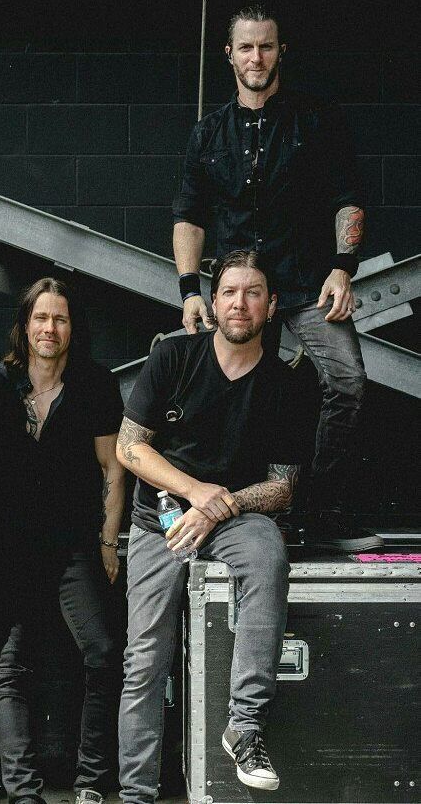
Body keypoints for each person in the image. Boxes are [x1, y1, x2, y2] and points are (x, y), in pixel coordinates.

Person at [172, 4, 377, 550]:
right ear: (229, 54)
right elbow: (188, 216)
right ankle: (240, 506)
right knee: (229, 393)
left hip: (308, 280)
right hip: (240, 288)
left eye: (266, 46)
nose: (256, 57)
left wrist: (343, 268)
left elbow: (348, 199)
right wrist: (190, 289)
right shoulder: (207, 133)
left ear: (280, 50)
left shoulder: (315, 119)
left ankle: (318, 504)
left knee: (347, 384)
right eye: (246, 47)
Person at [117, 250, 303, 799]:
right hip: (162, 520)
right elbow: (130, 448)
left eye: (253, 293)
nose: (240, 303)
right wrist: (196, 493)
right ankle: (136, 793)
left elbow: (283, 485)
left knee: (268, 557)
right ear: (212, 302)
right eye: (229, 292)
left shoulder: (289, 383)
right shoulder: (174, 357)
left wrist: (220, 507)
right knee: (145, 658)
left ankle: (244, 728)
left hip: (236, 516)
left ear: (270, 306)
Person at [0, 277, 126, 804]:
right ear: (24, 325)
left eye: (60, 318)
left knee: (101, 654)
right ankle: (23, 793)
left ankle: (91, 785)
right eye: (40, 318)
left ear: (72, 327)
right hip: (8, 546)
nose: (49, 328)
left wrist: (106, 543)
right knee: (9, 666)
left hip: (74, 545)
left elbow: (113, 471)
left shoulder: (95, 384)